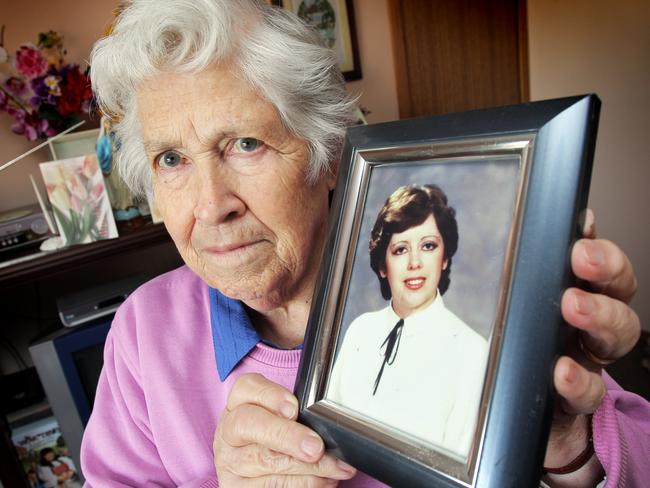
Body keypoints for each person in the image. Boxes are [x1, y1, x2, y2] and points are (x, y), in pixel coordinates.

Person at [80, 1, 649, 487]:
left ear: (330, 158)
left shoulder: (454, 302)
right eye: (172, 159)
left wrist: (563, 444)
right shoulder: (144, 331)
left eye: (246, 144)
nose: (210, 205)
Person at [328, 184, 487, 460]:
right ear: (382, 265)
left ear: (445, 258)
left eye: (428, 246)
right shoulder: (359, 331)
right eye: (401, 249)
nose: (415, 262)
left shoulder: (472, 351)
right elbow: (326, 436)